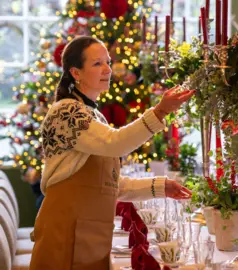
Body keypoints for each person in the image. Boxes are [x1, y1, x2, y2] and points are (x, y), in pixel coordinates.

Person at [29, 36, 195, 269]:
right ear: (75, 73)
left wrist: (161, 186)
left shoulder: (94, 115)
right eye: (97, 64)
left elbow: (109, 185)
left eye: (108, 62)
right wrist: (159, 111)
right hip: (65, 232)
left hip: (90, 234)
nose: (107, 69)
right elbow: (115, 142)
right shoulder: (66, 112)